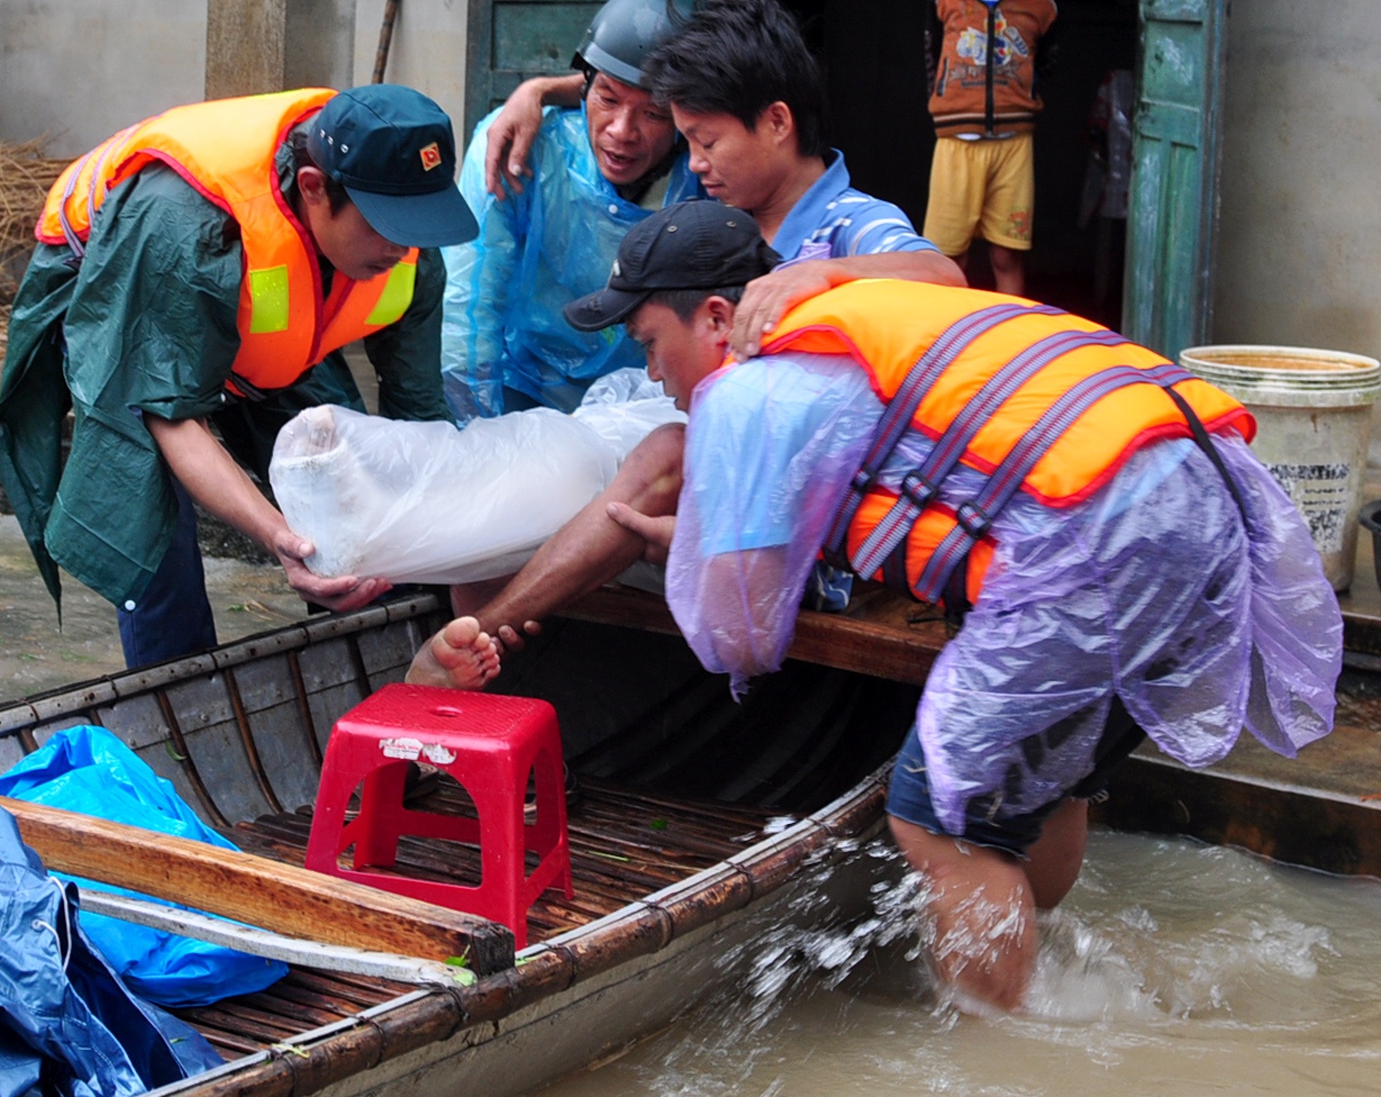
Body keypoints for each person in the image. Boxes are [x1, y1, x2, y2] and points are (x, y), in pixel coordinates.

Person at [415, 201, 1342, 1013]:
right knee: (1035, 781)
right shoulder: (862, 314)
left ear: (715, 316)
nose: (653, 374)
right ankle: (1048, 981)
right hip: (1209, 503)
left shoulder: (755, 386)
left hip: (1103, 538)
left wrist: (687, 550)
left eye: (652, 344)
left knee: (935, 811)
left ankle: (1006, 1046)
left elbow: (740, 637)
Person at [0, 85, 478, 669]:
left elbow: (417, 415)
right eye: (388, 225)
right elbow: (169, 416)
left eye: (418, 223)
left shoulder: (406, 240)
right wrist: (280, 537)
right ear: (315, 190)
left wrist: (453, 543)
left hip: (260, 321)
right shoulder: (183, 222)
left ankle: (382, 673)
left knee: (338, 478)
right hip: (128, 281)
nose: (404, 246)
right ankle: (178, 695)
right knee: (146, 500)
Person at [476, 0, 963, 363]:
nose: (693, 163)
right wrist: (537, 92)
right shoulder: (729, 216)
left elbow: (943, 277)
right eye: (686, 141)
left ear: (776, 122)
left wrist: (821, 275)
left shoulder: (848, 222)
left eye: (706, 142)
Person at [442, 0, 708, 419]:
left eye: (654, 114)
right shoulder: (521, 147)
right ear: (584, 88)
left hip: (648, 398)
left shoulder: (704, 172)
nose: (622, 131)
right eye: (608, 99)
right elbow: (468, 305)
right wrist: (476, 435)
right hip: (524, 385)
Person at [922, 0, 1059, 296]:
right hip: (955, 143)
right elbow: (929, 61)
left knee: (1006, 254)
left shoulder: (1041, 7)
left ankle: (1010, 348)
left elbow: (1047, 64)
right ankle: (944, 348)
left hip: (1014, 144)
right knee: (948, 258)